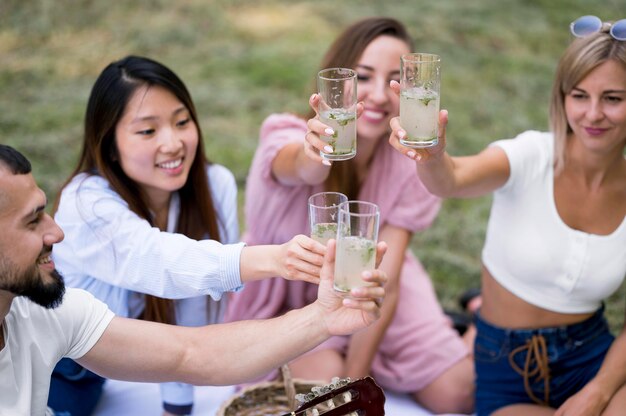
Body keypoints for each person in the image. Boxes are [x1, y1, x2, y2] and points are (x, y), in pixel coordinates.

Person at [0, 143, 387, 416]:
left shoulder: (44, 311)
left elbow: (193, 354)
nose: (57, 233)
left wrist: (322, 318)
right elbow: (156, 257)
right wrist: (274, 259)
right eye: (33, 220)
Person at [46, 55, 336, 416]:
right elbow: (160, 261)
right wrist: (274, 258)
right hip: (60, 367)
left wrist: (177, 408)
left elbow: (193, 309)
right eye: (147, 131)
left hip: (126, 363)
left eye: (182, 122)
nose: (172, 143)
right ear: (109, 145)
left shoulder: (215, 186)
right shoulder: (85, 203)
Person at [225, 17, 474, 414]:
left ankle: (474, 320)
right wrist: (315, 150)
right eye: (363, 76)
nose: (377, 95)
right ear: (335, 85)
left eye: (393, 81)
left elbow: (385, 282)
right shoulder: (287, 136)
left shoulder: (407, 163)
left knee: (459, 393)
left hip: (373, 285)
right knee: (322, 394)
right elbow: (301, 167)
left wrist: (360, 384)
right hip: (297, 295)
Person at [388, 15, 626, 416]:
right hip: (507, 367)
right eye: (579, 95)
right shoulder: (531, 155)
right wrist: (432, 157)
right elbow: (452, 179)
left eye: (613, 98)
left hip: (592, 356)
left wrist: (599, 392)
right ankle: (477, 312)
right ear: (562, 96)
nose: (592, 114)